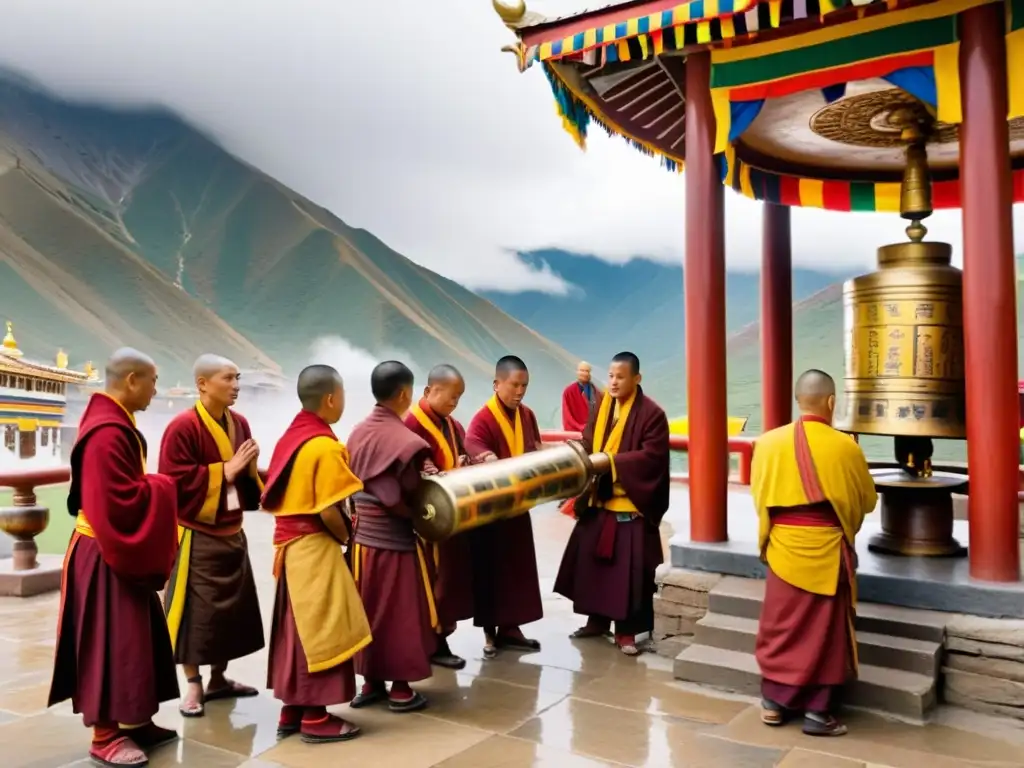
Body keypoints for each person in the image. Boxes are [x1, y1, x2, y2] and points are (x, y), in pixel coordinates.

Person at [48, 349, 180, 767]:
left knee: (135, 638)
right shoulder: (108, 432)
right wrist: (162, 486)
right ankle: (104, 735)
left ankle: (135, 720)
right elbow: (118, 502)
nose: (156, 391)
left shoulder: (115, 421)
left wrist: (149, 485)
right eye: (154, 381)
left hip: (114, 546)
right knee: (108, 641)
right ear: (131, 380)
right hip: (104, 549)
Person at [751, 369, 877, 737]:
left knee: (781, 625)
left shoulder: (768, 443)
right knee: (824, 632)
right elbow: (866, 501)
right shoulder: (845, 447)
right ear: (832, 402)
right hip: (826, 552)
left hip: (784, 550)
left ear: (797, 400)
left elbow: (760, 496)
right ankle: (818, 714)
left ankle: (773, 703)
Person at [261, 364, 371, 743]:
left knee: (296, 628)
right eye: (341, 395)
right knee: (322, 628)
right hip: (313, 548)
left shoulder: (289, 439)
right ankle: (315, 716)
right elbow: (328, 509)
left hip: (290, 550)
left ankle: (291, 708)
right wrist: (346, 537)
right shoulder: (323, 446)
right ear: (330, 399)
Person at [159, 354, 265, 718]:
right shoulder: (182, 427)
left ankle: (220, 677)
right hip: (196, 535)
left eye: (238, 378)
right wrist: (228, 469)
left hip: (232, 531)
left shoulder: (240, 424)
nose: (236, 386)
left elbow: (248, 481)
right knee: (196, 616)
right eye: (227, 378)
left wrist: (248, 471)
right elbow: (174, 483)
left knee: (229, 614)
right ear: (203, 384)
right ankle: (193, 683)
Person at [554, 352, 670, 656]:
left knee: (627, 576)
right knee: (594, 570)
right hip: (600, 500)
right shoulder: (603, 405)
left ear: (637, 379)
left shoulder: (652, 414)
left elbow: (652, 458)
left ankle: (627, 632)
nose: (614, 382)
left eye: (621, 376)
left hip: (630, 507)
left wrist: (612, 462)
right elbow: (590, 440)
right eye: (611, 376)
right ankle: (597, 622)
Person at [347, 361, 437, 712]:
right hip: (394, 541)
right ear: (404, 394)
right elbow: (409, 495)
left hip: (361, 542)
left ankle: (370, 683)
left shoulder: (356, 432)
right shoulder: (408, 441)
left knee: (367, 610)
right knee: (399, 614)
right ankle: (400, 689)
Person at [464, 355, 544, 658]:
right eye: (514, 385)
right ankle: (489, 634)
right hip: (490, 510)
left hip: (519, 505)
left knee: (517, 568)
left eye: (524, 385)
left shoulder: (528, 415)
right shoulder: (482, 418)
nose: (520, 391)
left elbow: (535, 449)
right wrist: (491, 461)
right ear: (497, 384)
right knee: (490, 570)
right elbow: (474, 446)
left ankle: (511, 628)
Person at [403, 363, 478, 670]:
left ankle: (439, 637)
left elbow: (463, 453)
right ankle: (433, 643)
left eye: (459, 397)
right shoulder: (411, 424)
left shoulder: (453, 425)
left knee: (446, 582)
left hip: (449, 516)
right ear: (429, 391)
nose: (454, 402)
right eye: (449, 395)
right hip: (423, 521)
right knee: (429, 584)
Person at [561, 360, 601, 432]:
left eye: (587, 371)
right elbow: (567, 416)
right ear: (577, 372)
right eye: (582, 370)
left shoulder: (596, 392)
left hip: (593, 430)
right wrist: (581, 427)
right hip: (576, 432)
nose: (585, 373)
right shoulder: (569, 391)